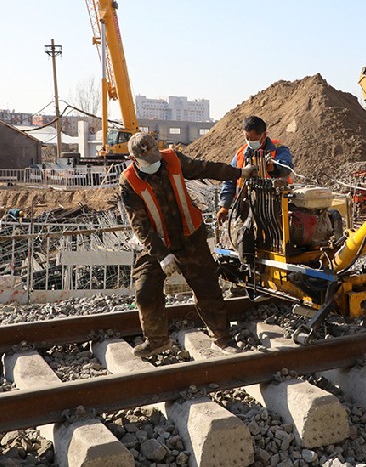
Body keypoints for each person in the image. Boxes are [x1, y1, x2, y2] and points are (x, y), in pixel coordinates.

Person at [119, 132, 256, 357]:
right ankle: (157, 341)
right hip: (156, 243)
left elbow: (206, 168)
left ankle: (221, 338)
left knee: (207, 287)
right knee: (145, 291)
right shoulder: (128, 182)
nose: (154, 164)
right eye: (148, 163)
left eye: (155, 158)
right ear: (134, 160)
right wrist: (162, 255)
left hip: (189, 235)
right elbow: (140, 225)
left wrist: (239, 173)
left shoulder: (173, 159)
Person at [217, 116, 294, 224]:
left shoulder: (279, 149)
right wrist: (224, 206)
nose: (249, 142)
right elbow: (230, 181)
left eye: (253, 139)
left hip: (275, 207)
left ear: (264, 135)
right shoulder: (241, 154)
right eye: (246, 138)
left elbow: (286, 168)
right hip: (245, 210)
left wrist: (273, 168)